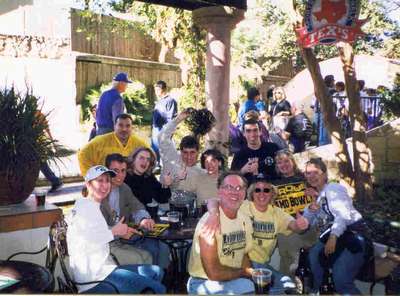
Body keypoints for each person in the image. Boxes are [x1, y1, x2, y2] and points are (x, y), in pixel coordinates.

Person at [66, 165, 166, 294]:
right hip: (94, 279)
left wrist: (119, 231)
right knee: (158, 289)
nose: (105, 185)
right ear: (88, 184)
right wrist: (114, 232)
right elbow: (87, 241)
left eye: (107, 180)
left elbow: (93, 232)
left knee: (157, 272)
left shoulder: (87, 205)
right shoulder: (86, 209)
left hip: (105, 269)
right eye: (99, 181)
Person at [205, 174, 309, 293]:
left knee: (288, 286)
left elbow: (294, 226)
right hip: (241, 262)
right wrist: (214, 214)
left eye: (266, 190)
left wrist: (301, 225)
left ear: (272, 193)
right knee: (274, 289)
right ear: (251, 193)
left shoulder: (277, 213)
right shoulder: (243, 205)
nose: (262, 194)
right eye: (257, 190)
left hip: (261, 265)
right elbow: (213, 201)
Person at [303, 158, 369, 294]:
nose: (311, 176)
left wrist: (333, 236)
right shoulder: (320, 196)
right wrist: (312, 207)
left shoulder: (334, 188)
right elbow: (309, 224)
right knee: (314, 254)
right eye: (308, 173)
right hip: (335, 236)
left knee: (341, 280)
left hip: (353, 236)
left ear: (325, 174)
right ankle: (319, 290)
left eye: (315, 172)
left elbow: (343, 214)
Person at [187, 172, 255, 295]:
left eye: (239, 188)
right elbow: (213, 273)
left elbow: (244, 254)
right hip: (203, 282)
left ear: (245, 193)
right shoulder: (209, 223)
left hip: (232, 278)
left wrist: (251, 275)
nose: (234, 192)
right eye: (228, 187)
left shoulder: (245, 220)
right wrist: (244, 272)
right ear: (219, 191)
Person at [101, 153, 169, 268]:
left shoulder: (124, 188)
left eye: (123, 171)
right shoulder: (99, 192)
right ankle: (150, 281)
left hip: (125, 234)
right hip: (106, 243)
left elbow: (136, 206)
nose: (120, 175)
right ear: (107, 171)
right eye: (115, 170)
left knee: (157, 246)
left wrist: (143, 219)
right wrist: (119, 233)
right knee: (144, 256)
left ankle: (161, 278)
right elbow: (96, 230)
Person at [272, 150, 318, 275]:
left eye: (286, 161)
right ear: (277, 166)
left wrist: (315, 195)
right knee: (289, 263)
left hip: (308, 226)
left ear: (292, 162)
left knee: (311, 261)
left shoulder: (305, 179)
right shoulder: (273, 185)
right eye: (279, 162)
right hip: (287, 228)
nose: (283, 164)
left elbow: (321, 200)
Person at [78, 113, 149, 176]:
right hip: (106, 184)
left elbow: (151, 158)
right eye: (120, 125)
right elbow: (83, 153)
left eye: (127, 126)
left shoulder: (139, 144)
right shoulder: (101, 141)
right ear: (114, 126)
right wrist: (91, 176)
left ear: (131, 128)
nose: (124, 129)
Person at [158, 109, 207, 195]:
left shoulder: (201, 171)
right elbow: (162, 137)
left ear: (198, 152)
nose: (188, 157)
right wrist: (177, 120)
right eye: (185, 152)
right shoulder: (171, 158)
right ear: (180, 151)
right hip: (165, 203)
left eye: (192, 153)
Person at [231, 118, 279, 183]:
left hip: (272, 186)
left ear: (260, 131)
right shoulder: (239, 155)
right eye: (248, 131)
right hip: (250, 190)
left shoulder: (272, 148)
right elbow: (231, 178)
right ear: (243, 133)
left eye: (255, 130)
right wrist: (243, 171)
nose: (252, 134)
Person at [151, 80, 178, 164]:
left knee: (164, 150)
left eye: (158, 89)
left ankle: (164, 167)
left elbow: (171, 117)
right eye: (156, 90)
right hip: (156, 129)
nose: (156, 92)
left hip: (163, 129)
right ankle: (157, 165)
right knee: (155, 149)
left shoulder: (170, 101)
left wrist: (168, 131)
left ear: (163, 89)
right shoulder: (159, 101)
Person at [36, 111, 63, 193]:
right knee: (41, 164)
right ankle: (55, 181)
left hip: (38, 144)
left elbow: (47, 129)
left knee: (41, 164)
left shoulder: (38, 114)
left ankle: (55, 181)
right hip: (36, 143)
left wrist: (53, 143)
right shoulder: (36, 114)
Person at [311, 75, 335, 146]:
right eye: (333, 81)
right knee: (323, 127)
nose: (333, 83)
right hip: (322, 110)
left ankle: (320, 142)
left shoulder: (320, 89)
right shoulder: (328, 90)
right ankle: (323, 142)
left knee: (320, 127)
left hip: (318, 110)